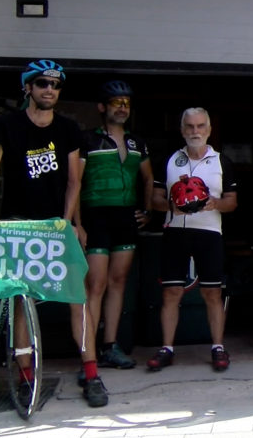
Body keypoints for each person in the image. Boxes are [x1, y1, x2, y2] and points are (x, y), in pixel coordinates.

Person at [0, 59, 108, 407]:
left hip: (55, 225)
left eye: (55, 85)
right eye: (42, 83)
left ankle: (91, 373)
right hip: (18, 224)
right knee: (21, 299)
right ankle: (27, 375)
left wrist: (71, 222)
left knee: (77, 297)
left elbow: (74, 181)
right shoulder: (6, 125)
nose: (49, 90)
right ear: (28, 87)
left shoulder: (69, 129)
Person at [147, 107, 237, 373]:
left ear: (208, 130)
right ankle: (167, 348)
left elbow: (232, 202)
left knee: (212, 293)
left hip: (209, 233)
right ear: (182, 130)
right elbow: (154, 199)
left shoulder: (222, 162)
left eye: (200, 126)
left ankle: (218, 347)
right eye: (190, 127)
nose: (195, 132)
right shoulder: (169, 159)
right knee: (171, 292)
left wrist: (215, 203)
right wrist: (172, 206)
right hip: (175, 231)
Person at [74, 80, 153, 372]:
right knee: (96, 285)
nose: (122, 108)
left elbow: (147, 178)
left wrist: (146, 210)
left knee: (118, 282)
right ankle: (89, 351)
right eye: (117, 103)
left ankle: (110, 346)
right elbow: (75, 183)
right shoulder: (88, 140)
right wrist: (77, 223)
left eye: (127, 104)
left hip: (125, 217)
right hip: (95, 216)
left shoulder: (137, 142)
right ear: (102, 107)